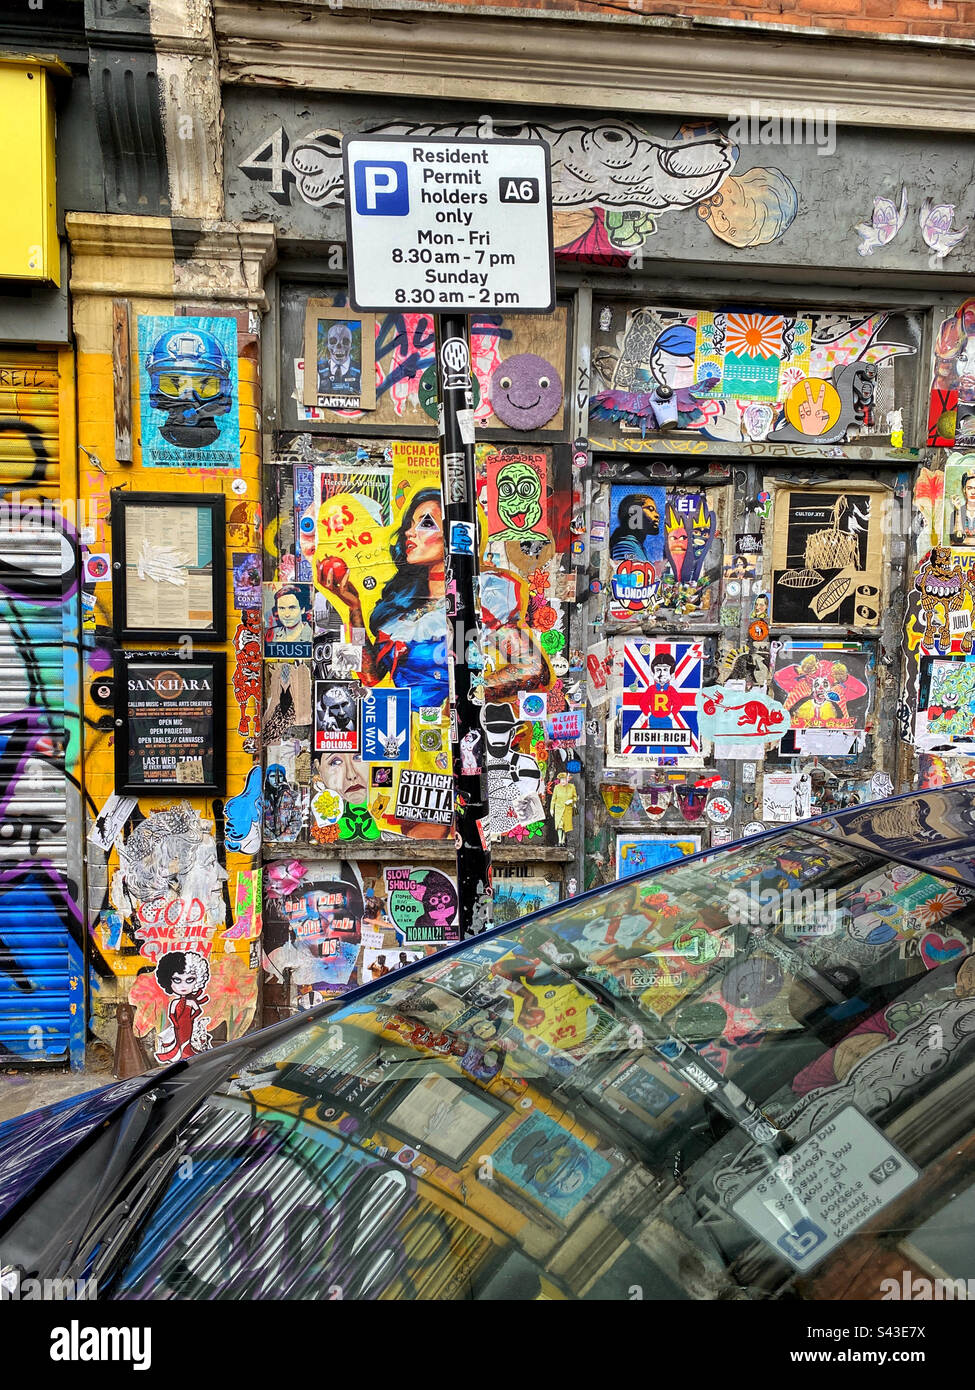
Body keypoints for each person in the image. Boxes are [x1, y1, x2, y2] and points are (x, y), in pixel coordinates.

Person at [317, 488, 449, 711]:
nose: (409, 532)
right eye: (410, 523)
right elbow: (369, 677)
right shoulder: (400, 613)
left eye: (425, 523)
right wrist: (354, 609)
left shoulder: (487, 598)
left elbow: (527, 666)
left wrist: (462, 700)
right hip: (403, 727)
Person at [154, 951, 212, 1062]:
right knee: (178, 1040)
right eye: (177, 980)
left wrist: (191, 1018)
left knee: (186, 1039)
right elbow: (171, 1014)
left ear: (198, 980)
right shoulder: (175, 1002)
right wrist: (175, 1023)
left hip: (187, 1024)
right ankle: (179, 1054)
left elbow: (198, 1011)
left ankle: (186, 1054)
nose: (183, 985)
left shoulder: (190, 1002)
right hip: (178, 1025)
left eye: (190, 980)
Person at [317, 320, 362, 395]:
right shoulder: (318, 371)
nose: (339, 346)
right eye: (333, 341)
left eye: (345, 342)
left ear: (351, 345)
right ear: (328, 345)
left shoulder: (360, 371)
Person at [950, 471, 975, 546]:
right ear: (964, 490)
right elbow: (956, 539)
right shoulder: (956, 513)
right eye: (969, 488)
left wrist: (966, 540)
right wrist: (958, 511)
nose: (973, 492)